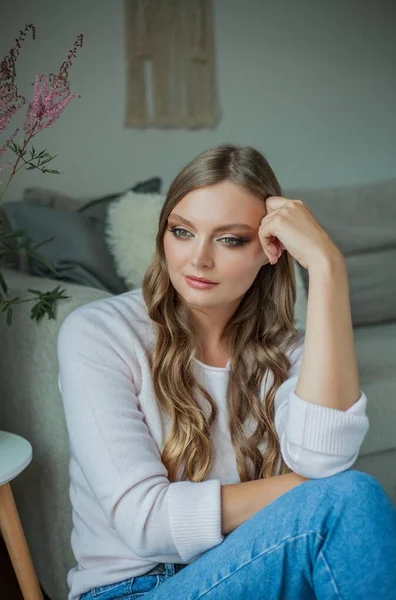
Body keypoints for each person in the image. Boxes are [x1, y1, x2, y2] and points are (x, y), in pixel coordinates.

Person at [57, 144, 396, 600]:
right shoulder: (99, 333)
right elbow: (146, 522)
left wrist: (327, 266)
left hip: (247, 567)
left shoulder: (287, 350)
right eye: (182, 231)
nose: (198, 259)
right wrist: (306, 490)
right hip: (133, 590)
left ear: (270, 250)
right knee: (349, 498)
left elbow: (323, 459)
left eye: (230, 239)